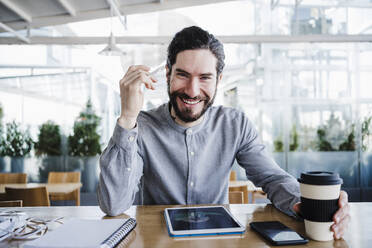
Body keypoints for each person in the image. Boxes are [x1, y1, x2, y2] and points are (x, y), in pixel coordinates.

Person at [98, 26, 349, 239]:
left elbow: (272, 179)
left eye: (205, 78)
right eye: (182, 75)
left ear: (219, 79)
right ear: (167, 74)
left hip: (217, 240)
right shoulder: (140, 126)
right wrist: (127, 118)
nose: (193, 91)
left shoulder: (235, 124)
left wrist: (303, 204)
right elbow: (114, 205)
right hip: (157, 240)